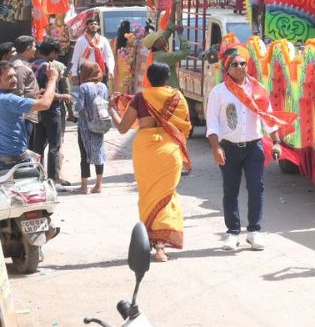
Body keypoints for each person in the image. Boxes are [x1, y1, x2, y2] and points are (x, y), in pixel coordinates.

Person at [206, 45, 296, 251]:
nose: (240, 67)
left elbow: (268, 118)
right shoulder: (218, 92)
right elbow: (212, 123)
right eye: (235, 64)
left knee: (256, 188)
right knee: (231, 191)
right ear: (227, 68)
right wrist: (215, 147)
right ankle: (232, 232)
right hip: (228, 148)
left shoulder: (258, 90)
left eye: (243, 63)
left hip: (253, 148)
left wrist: (276, 142)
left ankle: (254, 231)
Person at [112, 62, 191, 261]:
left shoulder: (141, 97)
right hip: (169, 150)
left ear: (148, 77)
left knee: (148, 195)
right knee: (166, 196)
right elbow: (185, 126)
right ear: (167, 78)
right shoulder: (177, 96)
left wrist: (112, 108)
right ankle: (160, 247)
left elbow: (123, 128)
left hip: (146, 150)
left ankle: (150, 239)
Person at [0, 60, 59, 166]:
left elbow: (10, 117)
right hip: (13, 163)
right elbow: (45, 104)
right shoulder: (7, 99)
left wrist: (33, 102)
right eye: (9, 77)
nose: (14, 80)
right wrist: (52, 79)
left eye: (14, 75)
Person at [30, 39, 72, 187]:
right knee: (54, 146)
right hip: (51, 110)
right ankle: (53, 180)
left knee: (38, 146)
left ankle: (37, 176)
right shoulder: (47, 67)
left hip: (38, 111)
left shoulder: (33, 64)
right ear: (52, 52)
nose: (57, 56)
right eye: (56, 53)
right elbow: (48, 92)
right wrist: (63, 96)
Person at [73, 61, 111, 193]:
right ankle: (98, 185)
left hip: (85, 125)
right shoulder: (103, 87)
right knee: (99, 151)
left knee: (85, 154)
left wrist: (73, 111)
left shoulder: (84, 87)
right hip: (100, 124)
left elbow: (80, 108)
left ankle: (84, 186)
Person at [71, 16, 115, 83]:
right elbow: (75, 58)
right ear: (87, 27)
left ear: (98, 27)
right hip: (85, 72)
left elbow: (109, 56)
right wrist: (74, 73)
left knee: (101, 92)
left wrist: (111, 70)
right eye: (91, 24)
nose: (93, 26)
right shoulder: (80, 41)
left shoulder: (103, 40)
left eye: (95, 24)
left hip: (100, 72)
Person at [12, 37, 38, 142]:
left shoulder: (23, 64)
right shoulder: (20, 66)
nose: (36, 49)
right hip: (24, 117)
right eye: (34, 46)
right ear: (28, 48)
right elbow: (17, 93)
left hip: (28, 114)